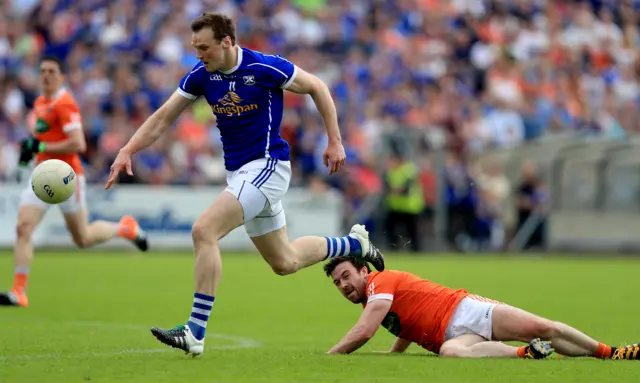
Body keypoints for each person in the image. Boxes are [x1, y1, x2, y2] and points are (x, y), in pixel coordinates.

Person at [104, 12, 384, 357]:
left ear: (226, 42)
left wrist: (335, 141)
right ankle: (353, 244)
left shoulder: (264, 67)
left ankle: (194, 332)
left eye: (204, 47)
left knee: (203, 231)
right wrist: (127, 149)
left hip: (268, 167)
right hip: (241, 176)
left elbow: (317, 86)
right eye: (195, 47)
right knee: (285, 262)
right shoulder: (202, 76)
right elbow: (164, 117)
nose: (198, 54)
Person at [0, 56, 148, 308]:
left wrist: (42, 145)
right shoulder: (39, 102)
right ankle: (19, 291)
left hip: (67, 177)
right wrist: (31, 149)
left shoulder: (65, 103)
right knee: (23, 227)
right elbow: (41, 138)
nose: (46, 75)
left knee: (83, 238)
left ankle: (126, 228)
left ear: (61, 77)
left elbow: (78, 143)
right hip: (42, 174)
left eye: (52, 71)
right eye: (43, 71)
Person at [324, 256, 640, 360]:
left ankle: (610, 352)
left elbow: (365, 331)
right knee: (451, 352)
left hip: (465, 310)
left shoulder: (380, 282)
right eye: (337, 283)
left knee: (545, 327)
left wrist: (333, 355)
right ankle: (526, 354)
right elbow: (405, 324)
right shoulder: (373, 298)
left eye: (346, 276)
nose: (343, 286)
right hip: (450, 336)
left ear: (365, 271)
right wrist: (396, 353)